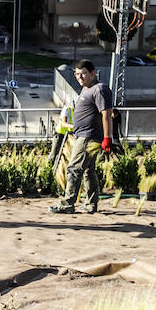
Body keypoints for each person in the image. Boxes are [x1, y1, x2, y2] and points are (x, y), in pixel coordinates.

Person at [49, 59, 115, 214]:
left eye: (83, 74)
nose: (79, 77)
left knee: (73, 169)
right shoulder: (86, 89)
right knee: (88, 171)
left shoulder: (99, 89)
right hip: (82, 135)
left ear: (92, 73)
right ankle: (91, 204)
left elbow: (107, 114)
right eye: (77, 74)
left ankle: (67, 204)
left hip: (89, 136)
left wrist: (107, 138)